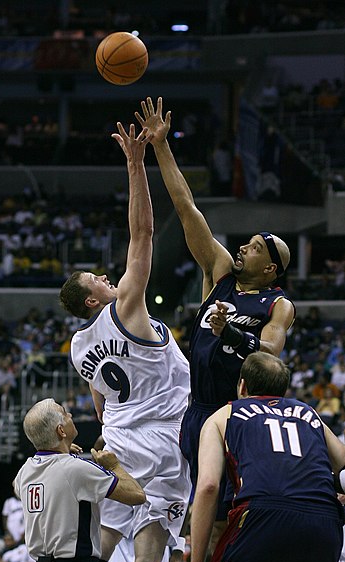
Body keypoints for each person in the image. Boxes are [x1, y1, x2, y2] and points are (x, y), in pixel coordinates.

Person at [135, 96, 295, 530]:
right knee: (197, 504)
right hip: (196, 408)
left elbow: (270, 353)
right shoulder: (220, 272)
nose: (245, 247)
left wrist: (229, 333)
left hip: (235, 412)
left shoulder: (278, 305)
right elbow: (187, 207)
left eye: (257, 248)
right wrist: (161, 146)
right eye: (248, 242)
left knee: (222, 506)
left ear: (271, 268)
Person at [59, 122, 191, 562]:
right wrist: (136, 164)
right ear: (92, 300)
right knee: (150, 549)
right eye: (96, 278)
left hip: (114, 442)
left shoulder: (78, 348)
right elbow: (143, 231)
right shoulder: (125, 309)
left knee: (103, 543)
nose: (105, 275)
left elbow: (98, 406)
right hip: (161, 437)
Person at [190, 352, 345, 562]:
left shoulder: (224, 415)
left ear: (242, 385)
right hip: (323, 521)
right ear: (283, 390)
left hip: (262, 516)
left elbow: (208, 486)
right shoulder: (309, 413)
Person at [13, 397, 146, 562]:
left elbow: (22, 487)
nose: (71, 415)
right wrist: (114, 466)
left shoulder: (25, 471)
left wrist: (64, 452)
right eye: (65, 413)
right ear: (61, 431)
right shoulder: (76, 469)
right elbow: (137, 495)